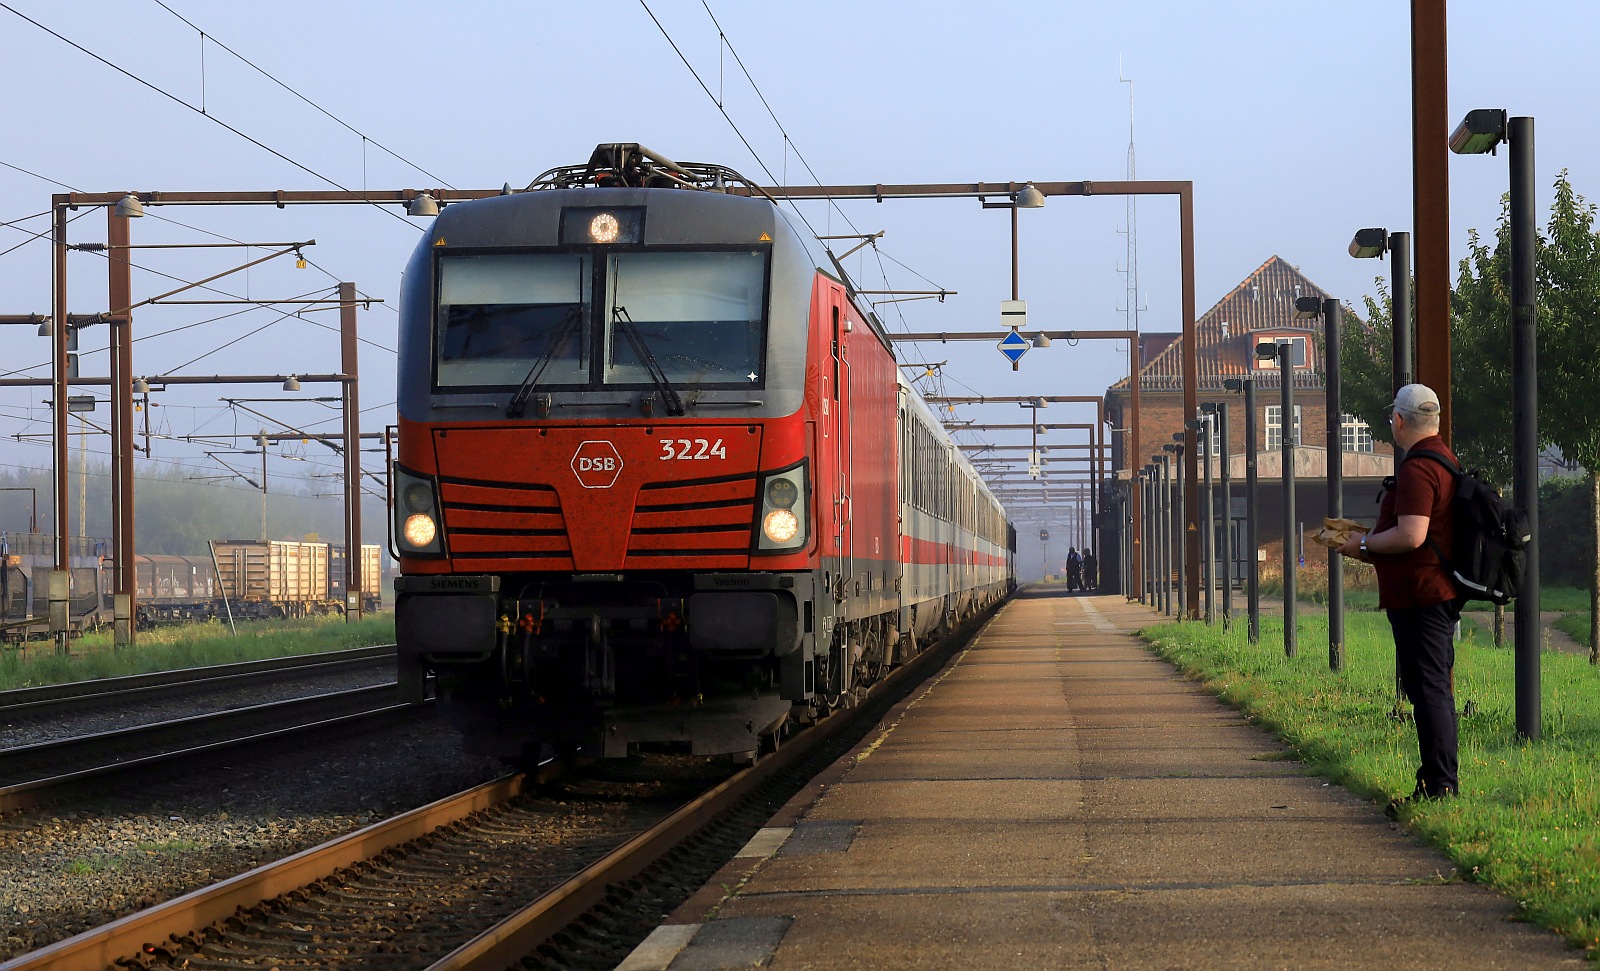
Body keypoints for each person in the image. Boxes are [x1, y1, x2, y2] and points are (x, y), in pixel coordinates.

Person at [1336, 383, 1465, 810]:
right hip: (1432, 591)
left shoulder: (1418, 469)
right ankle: (1436, 782)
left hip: (1421, 595)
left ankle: (1439, 786)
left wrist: (1364, 546)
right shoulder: (1444, 460)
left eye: (1393, 416)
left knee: (1428, 689)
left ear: (1400, 420)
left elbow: (1412, 535)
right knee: (1431, 687)